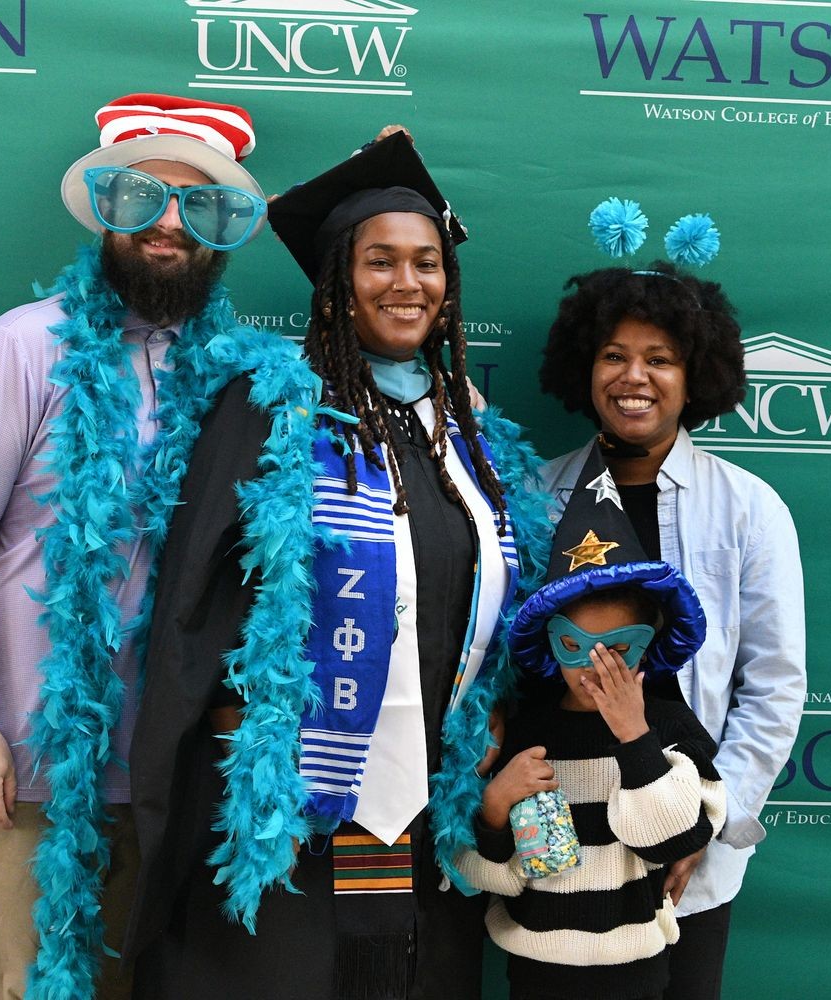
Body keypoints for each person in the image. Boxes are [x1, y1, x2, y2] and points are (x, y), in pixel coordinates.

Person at [121, 130, 552, 1000]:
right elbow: (195, 599)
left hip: (431, 800)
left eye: (426, 263)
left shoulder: (469, 436)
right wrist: (227, 739)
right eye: (380, 261)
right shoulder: (274, 407)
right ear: (338, 285)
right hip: (284, 795)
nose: (407, 283)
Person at [0, 91, 271, 1000]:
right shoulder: (22, 349)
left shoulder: (243, 377)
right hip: (34, 771)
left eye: (196, 206)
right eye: (141, 198)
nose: (166, 224)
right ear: (106, 211)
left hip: (174, 775)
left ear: (222, 229)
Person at [536, 262, 806, 1000]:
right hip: (565, 851)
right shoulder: (535, 495)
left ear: (696, 377)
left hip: (694, 859)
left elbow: (775, 685)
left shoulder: (749, 508)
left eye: (661, 359)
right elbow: (514, 669)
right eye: (615, 355)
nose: (636, 377)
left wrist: (705, 826)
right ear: (585, 366)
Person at [458, 448, 726, 1000]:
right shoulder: (526, 734)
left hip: (635, 970)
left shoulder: (672, 726)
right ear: (550, 645)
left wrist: (636, 736)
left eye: (618, 649)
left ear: (649, 645)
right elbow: (486, 876)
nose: (595, 668)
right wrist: (493, 807)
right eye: (575, 648)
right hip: (533, 968)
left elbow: (672, 841)